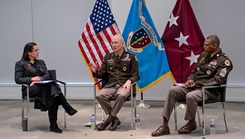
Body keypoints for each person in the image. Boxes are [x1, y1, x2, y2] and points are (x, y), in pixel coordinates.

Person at [151, 35, 233, 136]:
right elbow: (194, 71)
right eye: (204, 44)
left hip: (210, 91)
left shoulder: (224, 61)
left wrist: (197, 83)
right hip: (194, 87)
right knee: (172, 90)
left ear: (215, 45)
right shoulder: (203, 55)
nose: (204, 47)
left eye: (207, 45)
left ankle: (191, 122)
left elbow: (217, 81)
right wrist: (190, 79)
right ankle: (164, 125)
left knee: (191, 96)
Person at [15, 42, 77, 133]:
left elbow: (47, 75)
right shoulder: (20, 64)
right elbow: (18, 79)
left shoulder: (41, 62)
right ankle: (64, 108)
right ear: (29, 53)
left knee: (53, 94)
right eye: (36, 50)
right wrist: (31, 79)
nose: (38, 52)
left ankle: (54, 124)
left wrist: (38, 79)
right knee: (53, 90)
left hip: (43, 86)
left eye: (38, 50)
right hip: (30, 88)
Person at [89, 34, 139, 131]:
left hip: (124, 85)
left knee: (121, 95)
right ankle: (114, 119)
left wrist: (129, 81)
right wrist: (95, 71)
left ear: (122, 43)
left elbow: (136, 75)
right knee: (100, 96)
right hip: (111, 85)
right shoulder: (108, 57)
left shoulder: (131, 57)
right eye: (112, 43)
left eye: (116, 42)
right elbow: (101, 74)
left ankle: (109, 120)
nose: (113, 45)